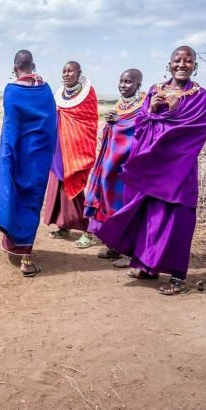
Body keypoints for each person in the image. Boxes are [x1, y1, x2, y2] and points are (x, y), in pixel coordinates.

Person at [91, 47, 206, 295]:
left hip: (178, 168)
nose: (182, 64)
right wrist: (152, 110)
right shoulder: (155, 91)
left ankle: (178, 277)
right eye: (177, 60)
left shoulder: (200, 96)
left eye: (188, 61)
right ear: (169, 64)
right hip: (149, 165)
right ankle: (147, 266)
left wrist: (175, 111)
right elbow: (141, 123)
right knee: (148, 216)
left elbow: (196, 130)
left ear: (194, 66)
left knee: (177, 218)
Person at [0, 50, 57, 277]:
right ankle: (26, 258)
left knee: (13, 194)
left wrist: (7, 155)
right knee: (32, 201)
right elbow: (52, 124)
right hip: (38, 157)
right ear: (34, 65)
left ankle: (15, 243)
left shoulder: (12, 91)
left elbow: (10, 126)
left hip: (17, 154)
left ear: (14, 68)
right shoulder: (46, 90)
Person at [85, 69, 145, 267]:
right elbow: (116, 126)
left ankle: (129, 253)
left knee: (125, 207)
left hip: (128, 165)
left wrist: (118, 123)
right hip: (111, 163)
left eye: (128, 82)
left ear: (138, 84)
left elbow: (141, 130)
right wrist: (111, 122)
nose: (123, 85)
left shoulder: (144, 105)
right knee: (109, 201)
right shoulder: (121, 104)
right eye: (121, 81)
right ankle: (113, 246)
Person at [44, 61, 99, 246]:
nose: (67, 74)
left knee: (73, 184)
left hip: (75, 149)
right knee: (58, 185)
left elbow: (88, 122)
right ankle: (63, 225)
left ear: (78, 73)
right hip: (58, 147)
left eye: (71, 71)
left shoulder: (88, 94)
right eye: (64, 70)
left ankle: (87, 229)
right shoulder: (59, 93)